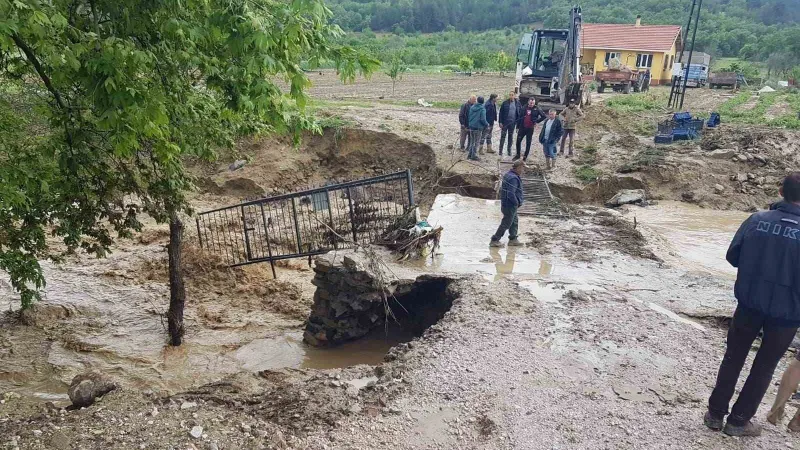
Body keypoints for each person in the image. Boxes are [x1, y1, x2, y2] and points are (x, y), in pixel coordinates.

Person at [705, 173, 800, 437]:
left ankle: (714, 414)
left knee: (733, 358)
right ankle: (739, 421)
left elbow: (733, 256)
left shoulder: (757, 220)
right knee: (764, 366)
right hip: (787, 314)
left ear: (780, 191)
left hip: (749, 304)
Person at [490, 159, 525, 248]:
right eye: (522, 168)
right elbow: (511, 193)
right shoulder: (513, 178)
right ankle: (495, 240)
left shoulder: (508, 174)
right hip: (510, 205)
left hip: (506, 203)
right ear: (519, 167)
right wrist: (516, 203)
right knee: (506, 223)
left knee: (514, 221)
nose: (523, 170)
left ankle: (513, 239)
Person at [498, 91, 521, 157]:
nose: (511, 96)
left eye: (512, 95)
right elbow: (500, 113)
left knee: (510, 137)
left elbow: (520, 113)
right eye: (510, 95)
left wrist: (518, 124)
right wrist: (500, 122)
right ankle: (500, 151)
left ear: (514, 95)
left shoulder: (518, 103)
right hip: (505, 123)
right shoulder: (505, 103)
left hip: (512, 123)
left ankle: (509, 150)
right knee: (503, 136)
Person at [467, 96, 489, 161]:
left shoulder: (472, 107)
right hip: (478, 127)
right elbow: (483, 119)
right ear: (483, 101)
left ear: (477, 101)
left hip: (471, 126)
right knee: (476, 142)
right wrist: (487, 124)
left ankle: (470, 155)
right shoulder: (482, 109)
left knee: (472, 141)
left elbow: (469, 116)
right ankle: (474, 156)